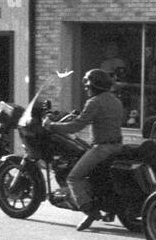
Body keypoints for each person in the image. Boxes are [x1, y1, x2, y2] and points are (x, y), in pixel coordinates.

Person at [49, 68, 125, 230]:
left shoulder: (94, 102)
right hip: (117, 146)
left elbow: (76, 126)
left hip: (102, 148)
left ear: (95, 86)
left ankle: (90, 211)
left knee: (73, 177)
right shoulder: (115, 100)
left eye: (88, 86)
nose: (86, 89)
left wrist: (52, 126)